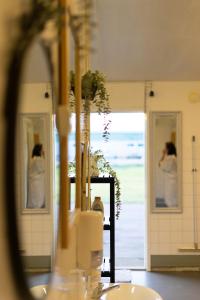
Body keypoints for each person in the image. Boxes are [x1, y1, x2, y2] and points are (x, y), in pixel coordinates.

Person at [159, 142, 177, 207]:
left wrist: (163, 154)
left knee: (170, 199)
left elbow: (161, 165)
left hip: (171, 181)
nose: (164, 149)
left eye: (165, 147)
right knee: (171, 197)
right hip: (171, 180)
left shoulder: (170, 158)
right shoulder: (172, 157)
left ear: (168, 149)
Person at [27, 143, 45, 208]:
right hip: (37, 181)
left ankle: (34, 206)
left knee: (33, 196)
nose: (43, 150)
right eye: (42, 149)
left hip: (33, 180)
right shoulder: (38, 159)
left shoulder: (33, 158)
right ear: (39, 150)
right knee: (38, 196)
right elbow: (42, 169)